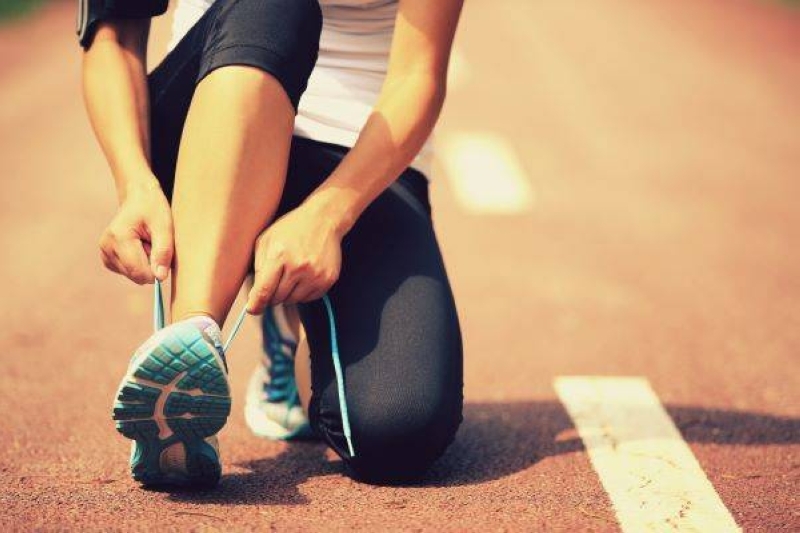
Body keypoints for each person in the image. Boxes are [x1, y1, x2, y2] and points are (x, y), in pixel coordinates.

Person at [80, 0, 464, 488]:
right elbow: (112, 39)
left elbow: (418, 76)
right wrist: (134, 183)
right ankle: (192, 345)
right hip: (212, 119)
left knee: (398, 431)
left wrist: (328, 216)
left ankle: (290, 339)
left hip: (359, 159)